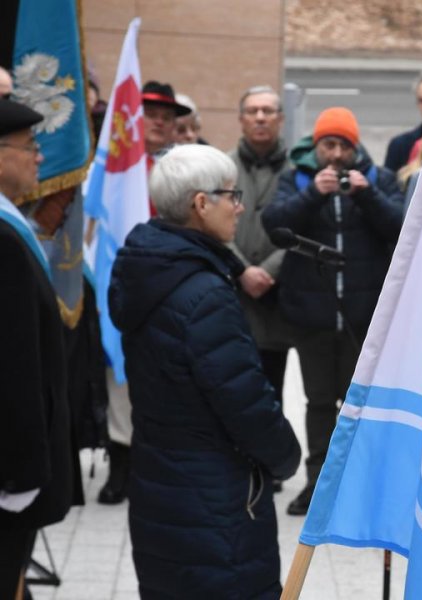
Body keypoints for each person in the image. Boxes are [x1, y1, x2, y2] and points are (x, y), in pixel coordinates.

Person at [108, 144, 302, 599]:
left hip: (160, 484)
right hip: (213, 500)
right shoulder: (203, 293)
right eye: (231, 196)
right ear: (200, 204)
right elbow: (245, 401)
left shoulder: (150, 268)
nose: (239, 207)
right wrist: (286, 458)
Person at [262, 107, 404, 516]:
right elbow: (275, 225)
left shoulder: (380, 180)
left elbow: (401, 227)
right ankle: (317, 484)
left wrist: (367, 194)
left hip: (364, 318)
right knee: (319, 402)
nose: (337, 154)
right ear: (317, 146)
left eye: (344, 145)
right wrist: (313, 194)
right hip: (313, 317)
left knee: (360, 404)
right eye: (329, 144)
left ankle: (361, 486)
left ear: (355, 146)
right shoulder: (297, 179)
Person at [98, 80, 193, 506]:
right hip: (121, 283)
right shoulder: (117, 168)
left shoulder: (186, 168)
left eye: (166, 118)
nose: (158, 123)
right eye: (150, 115)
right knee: (118, 374)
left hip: (171, 287)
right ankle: (120, 461)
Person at [0, 99, 75, 599]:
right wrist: (21, 474)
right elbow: (14, 364)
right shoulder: (3, 240)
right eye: (29, 147)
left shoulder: (12, 223)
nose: (40, 158)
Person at [228, 86, 296, 492]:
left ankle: (271, 465)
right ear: (241, 119)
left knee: (272, 384)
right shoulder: (222, 165)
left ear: (280, 119)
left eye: (268, 111)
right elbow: (210, 223)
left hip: (278, 297)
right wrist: (241, 269)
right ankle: (240, 459)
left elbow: (302, 227)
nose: (259, 118)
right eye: (252, 110)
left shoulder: (296, 169)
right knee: (237, 383)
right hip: (235, 294)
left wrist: (267, 270)